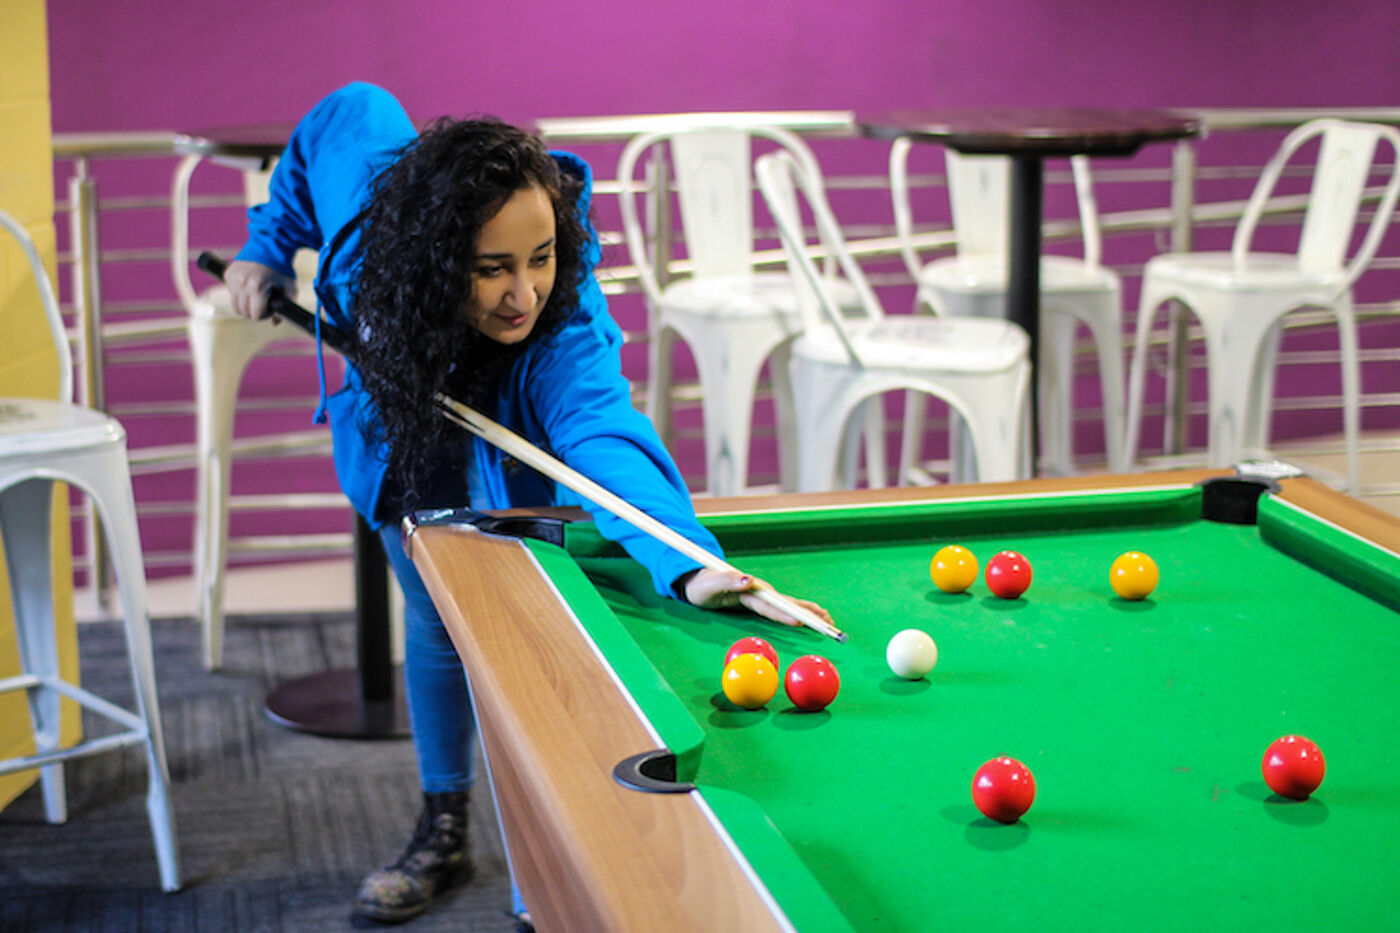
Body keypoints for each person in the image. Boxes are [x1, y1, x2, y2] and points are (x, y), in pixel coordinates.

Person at [224, 82, 830, 927]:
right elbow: (328, 123)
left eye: (539, 255)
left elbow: (599, 431)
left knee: (524, 662)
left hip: (515, 470)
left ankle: (533, 890)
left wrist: (685, 560)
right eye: (492, 268)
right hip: (407, 443)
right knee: (435, 625)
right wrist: (265, 246)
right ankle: (443, 823)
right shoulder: (372, 240)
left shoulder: (564, 310)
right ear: (437, 259)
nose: (524, 292)